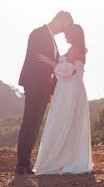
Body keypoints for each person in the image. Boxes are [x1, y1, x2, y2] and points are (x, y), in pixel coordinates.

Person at [14, 11, 73, 175]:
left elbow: (51, 69)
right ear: (59, 20)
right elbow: (36, 61)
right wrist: (53, 65)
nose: (63, 31)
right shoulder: (38, 33)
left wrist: (51, 90)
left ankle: (26, 163)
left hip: (44, 89)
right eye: (64, 26)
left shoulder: (53, 40)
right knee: (29, 123)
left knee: (35, 126)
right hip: (34, 85)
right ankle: (21, 164)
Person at [32, 23, 93, 174]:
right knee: (70, 123)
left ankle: (60, 159)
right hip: (75, 88)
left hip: (69, 89)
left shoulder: (73, 50)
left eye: (67, 33)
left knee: (62, 121)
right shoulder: (79, 50)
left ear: (74, 35)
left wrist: (49, 62)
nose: (65, 36)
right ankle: (68, 157)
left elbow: (68, 71)